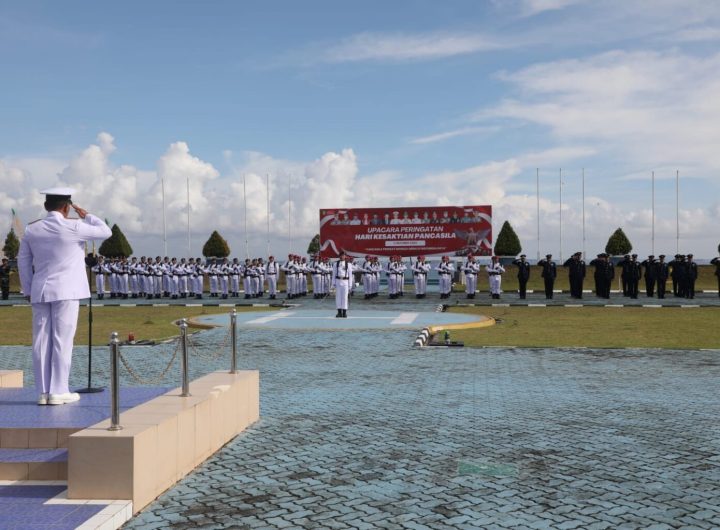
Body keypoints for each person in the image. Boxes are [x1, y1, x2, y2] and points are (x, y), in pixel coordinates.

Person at [17, 188, 111, 406]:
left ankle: (43, 392)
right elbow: (105, 231)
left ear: (45, 206)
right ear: (67, 207)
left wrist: (28, 290)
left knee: (41, 341)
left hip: (40, 290)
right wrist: (86, 215)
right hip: (67, 291)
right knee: (62, 340)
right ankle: (59, 390)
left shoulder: (32, 229)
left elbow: (23, 261)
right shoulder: (74, 226)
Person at [332, 251, 353, 318]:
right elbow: (334, 274)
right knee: (338, 297)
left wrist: (350, 285)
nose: (342, 256)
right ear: (339, 256)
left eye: (343, 255)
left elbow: (350, 275)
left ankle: (344, 312)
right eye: (341, 255)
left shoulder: (348, 264)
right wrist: (333, 284)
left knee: (345, 297)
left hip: (345, 282)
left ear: (345, 256)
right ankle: (339, 312)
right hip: (338, 281)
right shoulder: (336, 264)